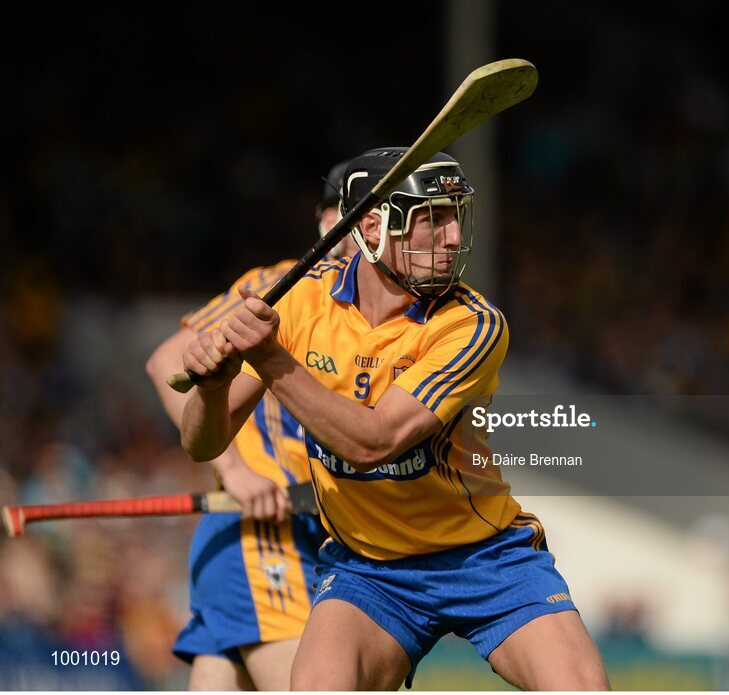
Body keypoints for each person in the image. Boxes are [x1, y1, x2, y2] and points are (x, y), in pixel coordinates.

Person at [179, 147, 610, 690]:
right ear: (375, 228)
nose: (453, 237)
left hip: (483, 559)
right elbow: (201, 444)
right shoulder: (303, 306)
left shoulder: (472, 325)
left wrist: (268, 357)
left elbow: (374, 441)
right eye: (432, 217)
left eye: (456, 214)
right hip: (370, 570)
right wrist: (213, 390)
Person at [145, 164, 356, 690]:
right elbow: (168, 360)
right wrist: (235, 470)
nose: (359, 236)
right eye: (348, 219)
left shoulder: (368, 311)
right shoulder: (279, 287)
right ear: (324, 220)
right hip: (259, 533)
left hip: (311, 532)